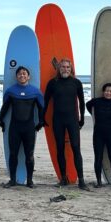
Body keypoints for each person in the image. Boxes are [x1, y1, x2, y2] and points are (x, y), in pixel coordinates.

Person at [0, 66, 45, 189]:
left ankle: (29, 181)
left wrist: (41, 122)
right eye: (19, 74)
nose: (22, 75)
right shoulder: (11, 91)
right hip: (14, 128)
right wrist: (0, 120)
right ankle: (12, 180)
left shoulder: (35, 92)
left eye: (24, 74)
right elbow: (5, 107)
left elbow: (41, 108)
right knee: (13, 154)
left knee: (29, 155)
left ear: (28, 76)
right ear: (16, 77)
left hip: (29, 128)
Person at [43, 59, 87, 189]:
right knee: (60, 148)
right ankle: (63, 178)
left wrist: (82, 117)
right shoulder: (52, 83)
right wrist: (42, 117)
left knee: (75, 148)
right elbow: (45, 102)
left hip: (72, 120)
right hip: (57, 120)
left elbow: (82, 101)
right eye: (63, 67)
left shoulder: (76, 83)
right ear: (58, 68)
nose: (65, 69)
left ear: (71, 69)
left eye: (68, 67)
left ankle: (82, 180)